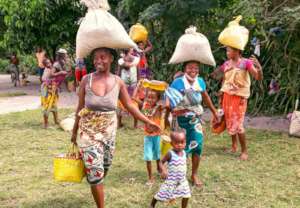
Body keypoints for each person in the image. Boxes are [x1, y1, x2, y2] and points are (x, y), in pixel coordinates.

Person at [71, 47, 160, 208]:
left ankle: (93, 175)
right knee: (96, 172)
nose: (99, 61)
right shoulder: (86, 80)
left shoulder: (118, 81)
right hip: (88, 132)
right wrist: (74, 131)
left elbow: (130, 106)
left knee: (104, 167)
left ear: (111, 59)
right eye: (96, 58)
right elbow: (79, 108)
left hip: (109, 132)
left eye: (103, 57)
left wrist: (147, 121)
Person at [167, 61, 218, 187]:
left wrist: (214, 112)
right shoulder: (177, 82)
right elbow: (170, 100)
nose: (193, 70)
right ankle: (178, 175)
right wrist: (166, 116)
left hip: (195, 120)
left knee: (198, 145)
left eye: (196, 68)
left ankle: (194, 174)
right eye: (190, 67)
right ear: (184, 69)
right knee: (180, 148)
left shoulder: (200, 81)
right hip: (180, 120)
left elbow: (206, 98)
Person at [218, 47, 263, 160]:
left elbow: (258, 77)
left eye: (229, 50)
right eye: (227, 50)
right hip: (227, 96)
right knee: (229, 121)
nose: (227, 52)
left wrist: (259, 67)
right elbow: (224, 79)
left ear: (237, 51)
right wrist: (221, 93)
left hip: (239, 98)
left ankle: (244, 151)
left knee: (238, 125)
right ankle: (234, 146)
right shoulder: (226, 64)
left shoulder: (246, 63)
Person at [150, 131, 191, 208]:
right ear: (172, 144)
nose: (180, 145)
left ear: (185, 142)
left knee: (186, 194)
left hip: (182, 180)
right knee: (161, 194)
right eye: (177, 143)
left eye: (182, 142)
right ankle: (152, 204)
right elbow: (161, 162)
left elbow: (184, 161)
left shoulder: (184, 153)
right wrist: (164, 170)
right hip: (171, 180)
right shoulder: (170, 153)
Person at [142, 88, 164, 185]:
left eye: (153, 98)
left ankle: (159, 168)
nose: (150, 99)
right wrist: (139, 87)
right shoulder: (145, 107)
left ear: (158, 99)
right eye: (148, 97)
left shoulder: (159, 107)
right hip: (148, 136)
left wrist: (166, 89)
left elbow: (168, 106)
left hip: (157, 136)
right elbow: (134, 98)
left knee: (157, 154)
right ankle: (150, 177)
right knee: (148, 157)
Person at [116, 48, 140, 128]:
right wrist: (139, 83)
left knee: (122, 102)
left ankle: (119, 123)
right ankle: (135, 124)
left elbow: (118, 74)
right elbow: (138, 73)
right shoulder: (134, 60)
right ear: (130, 50)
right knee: (133, 102)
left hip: (126, 85)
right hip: (131, 85)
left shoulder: (122, 61)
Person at [41, 58, 67, 128]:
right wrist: (60, 73)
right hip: (46, 90)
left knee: (54, 106)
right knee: (47, 107)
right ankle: (45, 124)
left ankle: (56, 120)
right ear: (44, 65)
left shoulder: (52, 69)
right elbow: (49, 77)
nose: (49, 64)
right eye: (47, 63)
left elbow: (55, 80)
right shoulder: (48, 71)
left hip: (52, 89)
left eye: (50, 62)